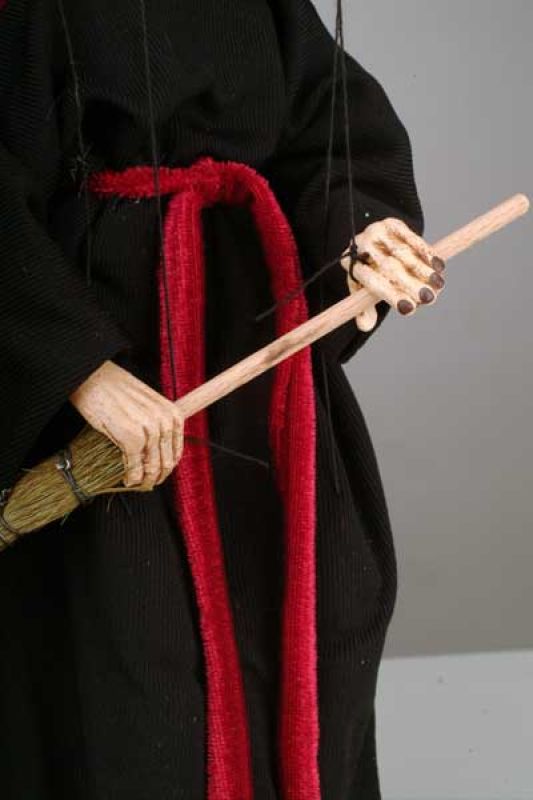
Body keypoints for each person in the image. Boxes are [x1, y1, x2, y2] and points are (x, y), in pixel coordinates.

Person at [0, 1, 444, 798]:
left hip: (256, 341)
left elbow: (329, 126)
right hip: (115, 341)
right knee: (137, 659)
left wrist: (363, 232)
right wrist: (78, 365)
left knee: (324, 613)